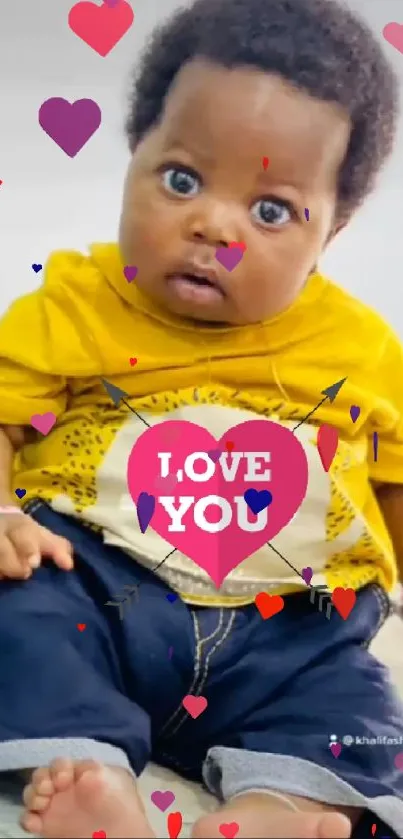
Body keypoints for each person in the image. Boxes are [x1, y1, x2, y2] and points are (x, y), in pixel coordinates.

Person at [0, 0, 403, 835]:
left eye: (270, 210)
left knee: (354, 707)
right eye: (181, 179)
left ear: (332, 228)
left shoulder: (362, 349)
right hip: (97, 588)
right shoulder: (76, 301)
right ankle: (84, 771)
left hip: (297, 627)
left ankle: (283, 802)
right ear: (133, 157)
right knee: (18, 615)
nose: (212, 225)